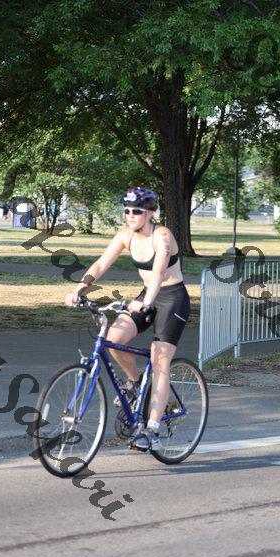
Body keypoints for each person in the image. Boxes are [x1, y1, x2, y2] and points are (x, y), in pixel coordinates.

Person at [65, 187, 190, 451]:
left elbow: (158, 273)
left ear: (150, 213)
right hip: (146, 296)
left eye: (136, 211)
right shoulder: (125, 236)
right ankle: (134, 383)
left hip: (172, 298)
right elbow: (100, 264)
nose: (130, 215)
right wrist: (79, 289)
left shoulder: (162, 235)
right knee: (114, 338)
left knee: (160, 362)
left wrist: (147, 301)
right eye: (127, 211)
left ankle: (152, 430)